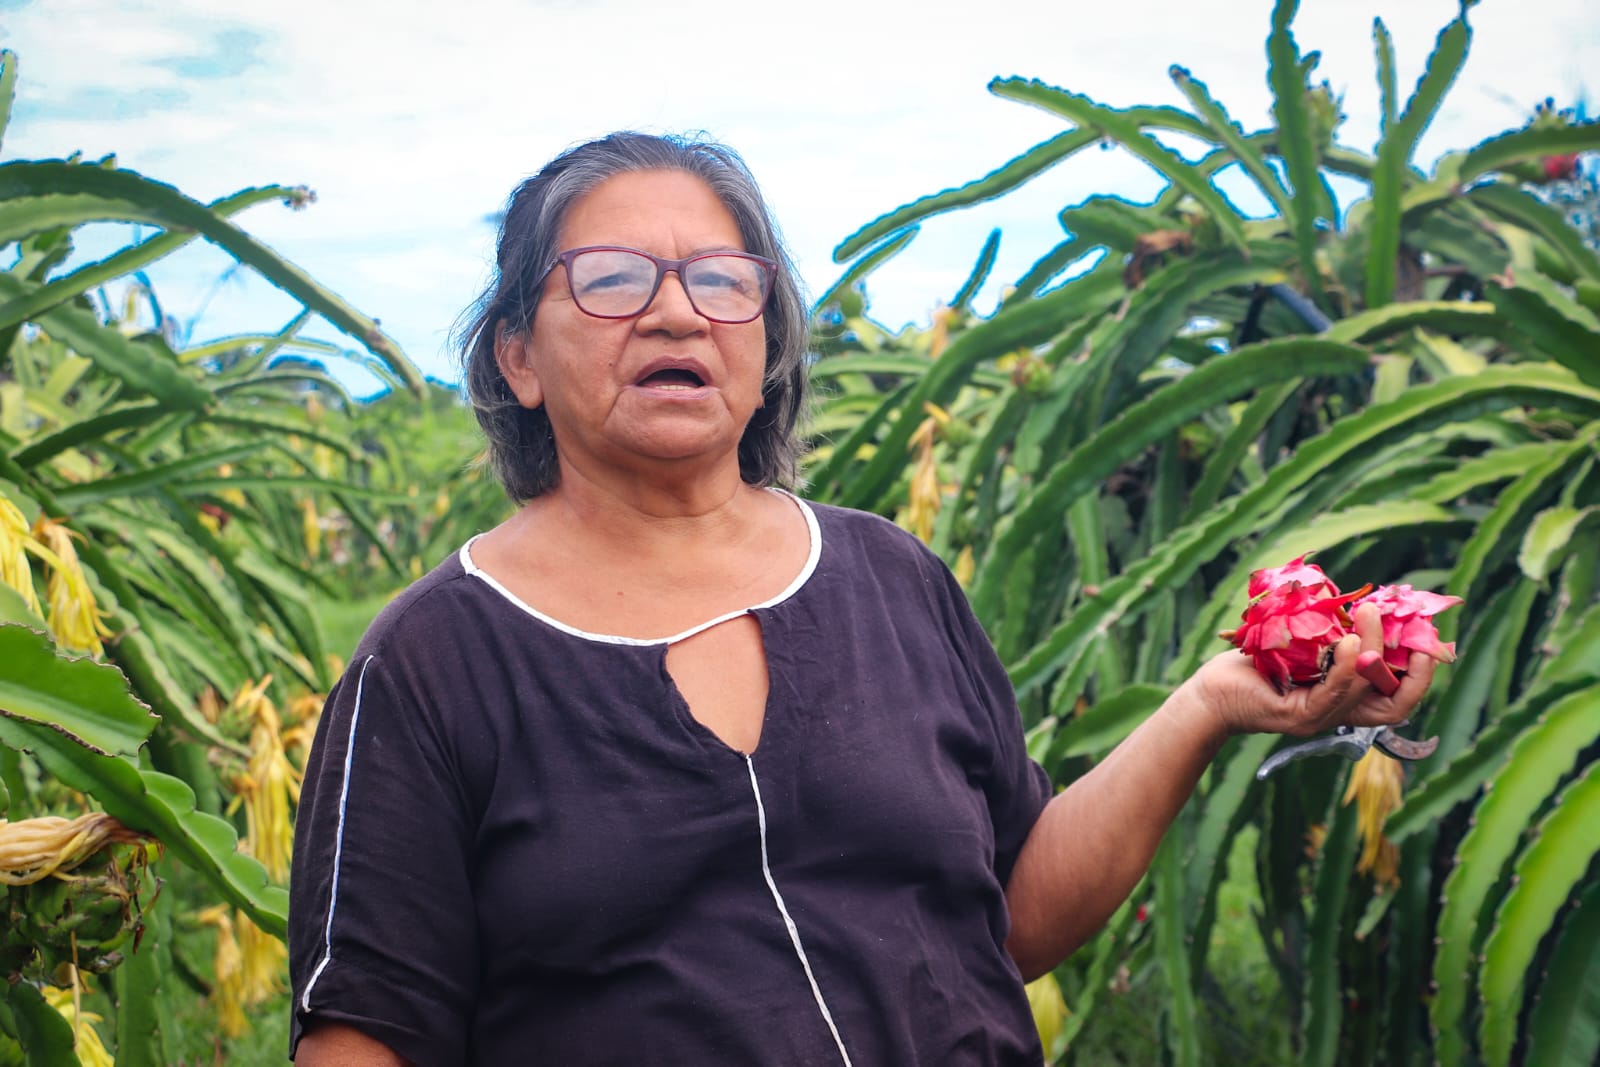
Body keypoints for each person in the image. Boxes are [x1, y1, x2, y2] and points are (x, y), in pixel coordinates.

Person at [287, 131, 1435, 1066]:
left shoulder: (890, 578)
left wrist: (1205, 704)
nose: (678, 313)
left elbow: (1012, 914)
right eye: (612, 278)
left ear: (765, 344)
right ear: (517, 358)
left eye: (723, 281)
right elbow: (362, 1036)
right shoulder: (432, 660)